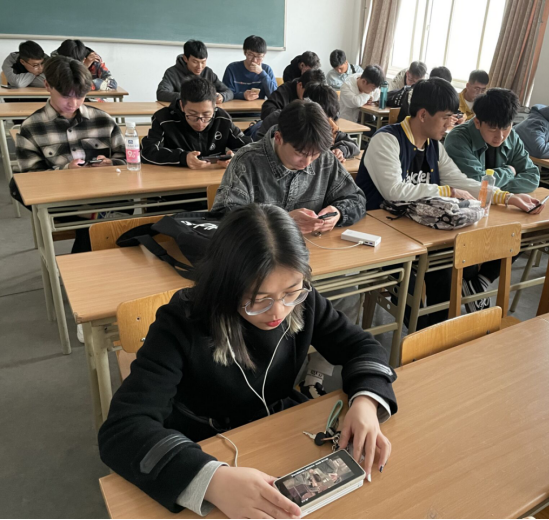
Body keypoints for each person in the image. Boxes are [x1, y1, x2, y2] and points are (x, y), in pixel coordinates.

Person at [98, 203, 397, 517]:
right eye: (258, 300)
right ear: (225, 286)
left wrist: (366, 402)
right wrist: (211, 480)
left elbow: (361, 346)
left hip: (278, 429)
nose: (279, 312)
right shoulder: (181, 323)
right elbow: (123, 429)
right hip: (203, 442)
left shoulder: (303, 302)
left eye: (291, 292)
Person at [356, 78, 544, 322]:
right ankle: (421, 335)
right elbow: (394, 191)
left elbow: (460, 181)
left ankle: (436, 335)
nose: (450, 124)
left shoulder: (434, 146)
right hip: (382, 233)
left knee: (446, 270)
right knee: (415, 286)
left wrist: (507, 197)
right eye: (446, 117)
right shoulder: (387, 140)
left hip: (421, 230)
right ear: (423, 115)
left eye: (453, 117)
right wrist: (446, 191)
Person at [15, 56, 125, 254]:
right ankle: (92, 218)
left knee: (109, 216)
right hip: (63, 202)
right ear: (48, 86)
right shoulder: (32, 127)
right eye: (66, 96)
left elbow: (127, 160)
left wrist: (111, 163)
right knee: (15, 185)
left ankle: (93, 219)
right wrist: (65, 171)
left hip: (103, 195)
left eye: (80, 95)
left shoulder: (103, 120)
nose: (73, 103)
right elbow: (30, 180)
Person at [211, 100, 366, 235]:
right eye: (300, 154)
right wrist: (281, 221)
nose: (308, 162)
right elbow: (224, 219)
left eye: (315, 155)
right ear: (279, 138)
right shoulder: (246, 162)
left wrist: (338, 212)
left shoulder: (325, 159)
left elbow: (357, 199)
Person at [142, 77, 251, 169]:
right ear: (182, 105)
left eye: (206, 115)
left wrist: (235, 156)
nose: (200, 122)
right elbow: (147, 151)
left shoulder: (222, 118)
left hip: (215, 181)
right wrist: (183, 158)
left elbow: (249, 147)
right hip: (176, 182)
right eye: (192, 114)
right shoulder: (163, 119)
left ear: (214, 107)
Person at [445, 88, 540, 193]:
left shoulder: (512, 136)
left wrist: (493, 189)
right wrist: (509, 172)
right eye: (492, 129)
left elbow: (533, 177)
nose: (500, 137)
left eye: (505, 128)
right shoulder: (457, 140)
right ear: (477, 123)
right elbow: (476, 182)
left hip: (500, 200)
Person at [157, 40, 231, 104]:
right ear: (185, 59)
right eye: (195, 62)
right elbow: (161, 94)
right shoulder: (172, 73)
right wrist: (194, 97)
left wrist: (222, 96)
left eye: (203, 62)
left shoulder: (208, 72)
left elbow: (229, 92)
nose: (199, 66)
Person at [222, 35, 278, 101]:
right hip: (235, 107)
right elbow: (226, 94)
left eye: (259, 56)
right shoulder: (232, 68)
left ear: (264, 55)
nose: (254, 60)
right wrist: (243, 95)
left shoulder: (267, 70)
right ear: (245, 52)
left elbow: (275, 96)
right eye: (251, 55)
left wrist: (262, 73)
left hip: (258, 107)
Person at [260, 69, 326, 120]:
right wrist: (291, 117)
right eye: (308, 96)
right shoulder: (284, 91)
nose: (310, 100)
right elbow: (267, 110)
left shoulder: (322, 93)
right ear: (300, 85)